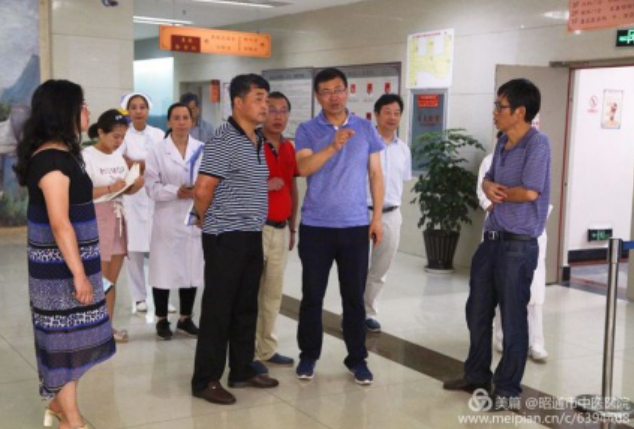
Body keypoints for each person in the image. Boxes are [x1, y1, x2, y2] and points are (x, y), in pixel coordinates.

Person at [13, 79, 116, 429]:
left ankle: (59, 403)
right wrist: (79, 275)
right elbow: (59, 223)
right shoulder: (52, 160)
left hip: (71, 262)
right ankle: (71, 420)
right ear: (64, 111)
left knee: (77, 338)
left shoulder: (65, 154)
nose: (87, 110)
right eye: (81, 104)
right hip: (59, 270)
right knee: (65, 343)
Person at [443, 79, 551, 410]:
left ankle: (507, 389)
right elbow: (490, 183)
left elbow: (530, 191)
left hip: (518, 245)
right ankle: (476, 374)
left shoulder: (538, 144)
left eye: (500, 106)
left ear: (520, 111)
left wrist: (497, 191)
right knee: (477, 311)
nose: (494, 112)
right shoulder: (503, 142)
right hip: (491, 240)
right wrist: (491, 185)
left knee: (513, 317)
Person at [191, 74, 279, 406]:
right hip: (225, 236)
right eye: (258, 98)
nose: (265, 105)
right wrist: (204, 219)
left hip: (251, 233)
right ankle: (205, 380)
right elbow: (203, 189)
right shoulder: (224, 139)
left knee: (245, 306)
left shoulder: (257, 139)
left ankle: (242, 369)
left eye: (266, 99)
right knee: (219, 310)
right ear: (238, 103)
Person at [294, 68, 385, 385]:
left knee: (353, 298)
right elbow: (304, 168)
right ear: (318, 96)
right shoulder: (307, 130)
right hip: (316, 226)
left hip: (355, 226)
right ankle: (308, 355)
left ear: (347, 91)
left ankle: (357, 358)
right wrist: (332, 146)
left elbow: (376, 174)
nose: (333, 97)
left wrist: (376, 218)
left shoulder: (365, 128)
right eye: (326, 91)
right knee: (312, 296)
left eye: (338, 90)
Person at [477, 151, 551, 362]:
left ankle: (536, 342)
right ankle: (504, 337)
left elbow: (540, 194)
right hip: (502, 230)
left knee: (534, 289)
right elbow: (485, 196)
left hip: (532, 231)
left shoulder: (537, 159)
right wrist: (510, 207)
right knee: (504, 285)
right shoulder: (491, 161)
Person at [84, 109, 145, 343]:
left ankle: (106, 327)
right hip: (96, 218)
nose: (119, 142)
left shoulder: (118, 156)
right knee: (96, 278)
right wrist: (110, 188)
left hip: (118, 219)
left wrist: (134, 185)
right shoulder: (86, 156)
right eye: (115, 136)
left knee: (111, 279)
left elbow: (124, 189)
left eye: (122, 137)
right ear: (101, 132)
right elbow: (80, 193)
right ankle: (91, 328)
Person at [145, 102, 204, 340]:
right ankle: (161, 319)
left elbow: (210, 181)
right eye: (176, 118)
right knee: (163, 269)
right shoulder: (157, 150)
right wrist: (175, 191)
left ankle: (185, 318)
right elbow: (151, 187)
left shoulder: (201, 148)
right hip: (167, 217)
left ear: (192, 121)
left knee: (191, 268)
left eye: (185, 118)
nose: (181, 122)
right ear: (169, 122)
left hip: (193, 215)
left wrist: (199, 194)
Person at [251, 91, 299, 375]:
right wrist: (264, 185)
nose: (278, 116)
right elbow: (232, 185)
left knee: (272, 294)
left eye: (283, 111)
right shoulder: (251, 144)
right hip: (255, 228)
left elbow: (292, 187)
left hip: (281, 228)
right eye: (272, 110)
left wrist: (293, 225)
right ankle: (247, 352)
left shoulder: (289, 147)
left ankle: (267, 349)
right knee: (250, 293)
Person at [118, 93, 174, 314]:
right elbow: (121, 163)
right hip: (132, 198)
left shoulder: (158, 134)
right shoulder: (123, 135)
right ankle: (139, 297)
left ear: (148, 110)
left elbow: (163, 162)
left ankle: (163, 298)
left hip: (155, 198)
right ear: (128, 110)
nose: (138, 111)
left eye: (142, 107)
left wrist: (136, 163)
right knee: (134, 253)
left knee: (161, 252)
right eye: (134, 107)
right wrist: (146, 163)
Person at [363, 93, 412, 334]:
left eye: (397, 113)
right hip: (362, 212)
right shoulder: (363, 143)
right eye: (387, 112)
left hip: (391, 214)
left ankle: (369, 312)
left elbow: (402, 181)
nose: (392, 117)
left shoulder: (403, 149)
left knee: (380, 268)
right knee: (356, 267)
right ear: (376, 114)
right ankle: (352, 313)